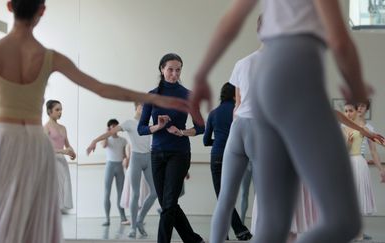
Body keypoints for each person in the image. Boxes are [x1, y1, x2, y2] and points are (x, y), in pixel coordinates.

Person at [0, 0, 189, 241]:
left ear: (9, 6)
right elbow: (101, 89)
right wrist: (151, 98)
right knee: (30, 223)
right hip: (35, 145)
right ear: (42, 10)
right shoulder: (49, 57)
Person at [191, 1, 373, 242]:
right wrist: (357, 89)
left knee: (273, 224)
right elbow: (340, 42)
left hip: (262, 93)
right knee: (344, 222)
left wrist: (201, 75)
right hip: (294, 73)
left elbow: (229, 25)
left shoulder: (245, 62)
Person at [138, 53, 205, 243]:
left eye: (178, 70)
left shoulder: (187, 95)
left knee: (168, 204)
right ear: (161, 69)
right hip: (157, 154)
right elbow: (141, 129)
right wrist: (157, 127)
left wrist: (182, 132)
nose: (174, 74)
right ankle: (193, 239)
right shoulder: (151, 95)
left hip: (179, 153)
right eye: (170, 70)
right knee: (168, 203)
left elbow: (201, 127)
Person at [87, 102, 157, 237]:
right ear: (136, 107)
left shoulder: (150, 124)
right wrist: (94, 141)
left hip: (148, 158)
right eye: (142, 106)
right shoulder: (129, 123)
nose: (145, 109)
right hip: (136, 159)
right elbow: (111, 132)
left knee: (154, 193)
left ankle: (140, 220)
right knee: (135, 194)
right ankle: (132, 227)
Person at [203, 82, 252, 241]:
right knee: (233, 195)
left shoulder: (213, 113)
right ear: (234, 95)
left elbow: (205, 141)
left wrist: (218, 141)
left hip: (217, 156)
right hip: (238, 157)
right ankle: (238, 230)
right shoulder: (240, 112)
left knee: (222, 197)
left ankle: (230, 231)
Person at [342, 102, 385, 240]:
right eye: (346, 111)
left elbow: (374, 149)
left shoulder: (365, 128)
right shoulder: (343, 127)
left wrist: (381, 169)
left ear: (357, 111)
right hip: (346, 164)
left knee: (359, 197)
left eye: (351, 110)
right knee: (347, 198)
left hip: (359, 163)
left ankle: (358, 232)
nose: (348, 113)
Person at [89, 119, 129, 226]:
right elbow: (104, 145)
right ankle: (107, 219)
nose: (114, 128)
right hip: (110, 167)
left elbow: (124, 155)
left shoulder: (123, 140)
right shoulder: (107, 139)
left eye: (116, 126)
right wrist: (106, 133)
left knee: (121, 194)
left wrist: (127, 160)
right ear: (109, 127)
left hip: (120, 167)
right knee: (107, 193)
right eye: (112, 126)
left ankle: (123, 217)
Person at [44, 99, 75, 214]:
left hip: (62, 160)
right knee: (55, 184)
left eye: (61, 110)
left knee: (64, 183)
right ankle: (53, 209)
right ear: (49, 111)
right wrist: (64, 151)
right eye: (57, 110)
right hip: (51, 160)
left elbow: (67, 144)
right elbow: (46, 148)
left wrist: (72, 152)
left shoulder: (63, 128)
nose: (60, 112)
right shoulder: (46, 128)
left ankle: (60, 207)